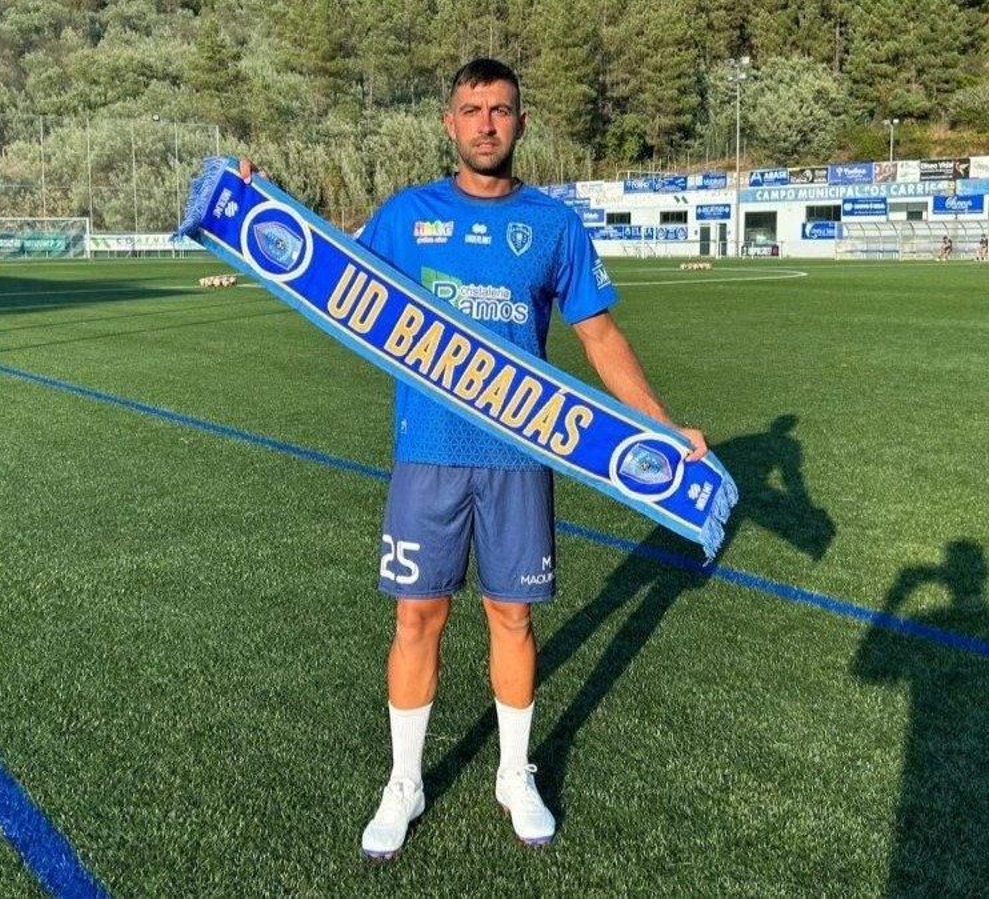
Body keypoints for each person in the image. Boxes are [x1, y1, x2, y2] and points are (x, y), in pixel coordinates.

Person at [242, 58, 707, 861]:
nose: (486, 123)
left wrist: (662, 428)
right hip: (427, 455)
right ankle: (404, 780)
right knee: (417, 616)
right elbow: (332, 277)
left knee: (512, 614)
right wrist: (260, 203)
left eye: (500, 110)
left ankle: (512, 772)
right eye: (470, 109)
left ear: (522, 124)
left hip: (521, 455)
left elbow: (599, 334)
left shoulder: (555, 226)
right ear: (450, 124)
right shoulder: (405, 214)